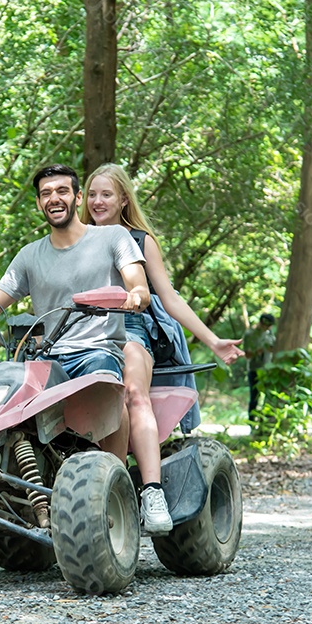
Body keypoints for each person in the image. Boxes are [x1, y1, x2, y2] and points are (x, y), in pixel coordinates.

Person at [0, 163, 151, 463]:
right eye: (46, 193)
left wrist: (135, 296)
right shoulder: (29, 255)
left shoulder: (113, 237)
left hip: (96, 351)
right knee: (2, 400)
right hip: (47, 359)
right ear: (39, 203)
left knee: (107, 388)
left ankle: (116, 481)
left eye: (62, 191)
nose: (54, 198)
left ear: (77, 197)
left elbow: (138, 286)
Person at [81, 163, 244, 534]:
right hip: (81, 334)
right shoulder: (77, 239)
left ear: (123, 199)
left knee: (130, 391)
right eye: (92, 194)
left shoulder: (139, 241)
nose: (97, 201)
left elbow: (168, 298)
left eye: (106, 194)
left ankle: (149, 491)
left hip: (130, 330)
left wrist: (212, 340)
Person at [243, 313, 276, 422]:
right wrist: (257, 352)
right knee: (254, 398)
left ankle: (265, 422)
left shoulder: (270, 334)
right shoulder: (250, 335)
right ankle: (251, 422)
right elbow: (247, 355)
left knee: (270, 396)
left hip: (268, 369)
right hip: (254, 369)